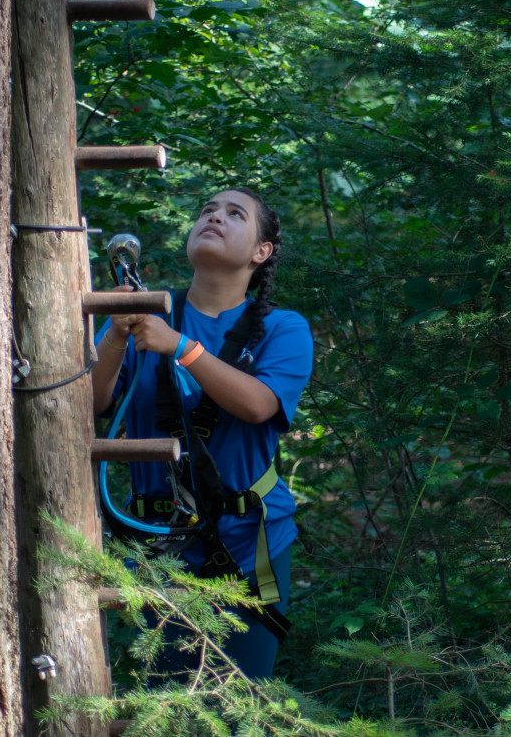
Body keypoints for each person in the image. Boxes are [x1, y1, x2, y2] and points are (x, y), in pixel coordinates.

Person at [91, 186, 313, 680]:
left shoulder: (283, 329)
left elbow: (259, 405)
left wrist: (180, 348)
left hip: (247, 545)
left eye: (235, 214)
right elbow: (91, 403)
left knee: (237, 706)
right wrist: (114, 333)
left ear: (261, 252)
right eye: (209, 210)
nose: (215, 217)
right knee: (163, 704)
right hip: (156, 544)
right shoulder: (148, 314)